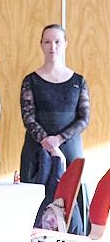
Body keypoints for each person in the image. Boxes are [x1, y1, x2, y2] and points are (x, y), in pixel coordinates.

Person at [19, 24, 90, 179]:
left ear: (65, 44)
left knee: (70, 199)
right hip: (36, 149)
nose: (52, 46)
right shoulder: (30, 80)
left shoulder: (79, 81)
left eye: (57, 42)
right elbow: (28, 118)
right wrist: (48, 143)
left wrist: (58, 139)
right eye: (47, 42)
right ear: (41, 44)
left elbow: (84, 119)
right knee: (36, 199)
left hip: (70, 148)